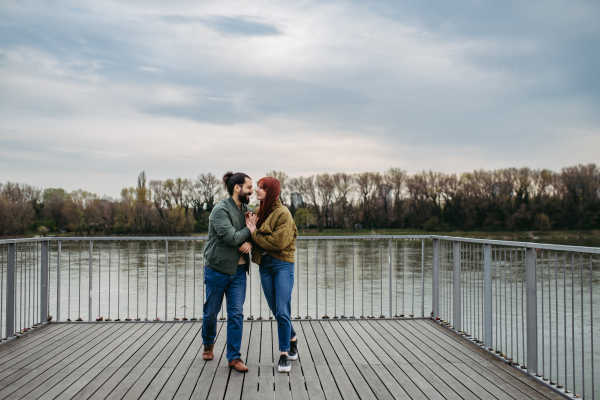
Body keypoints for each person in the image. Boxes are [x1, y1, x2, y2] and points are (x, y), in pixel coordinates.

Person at [202, 172, 255, 373]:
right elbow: (232, 238)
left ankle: (234, 357)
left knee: (236, 314)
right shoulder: (219, 210)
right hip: (217, 270)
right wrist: (249, 232)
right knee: (211, 312)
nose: (252, 191)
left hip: (240, 272)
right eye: (249, 187)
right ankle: (208, 342)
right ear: (237, 188)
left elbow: (253, 233)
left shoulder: (248, 211)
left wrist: (251, 240)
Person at [245, 177, 298, 373]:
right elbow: (252, 229)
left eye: (261, 187)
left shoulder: (283, 214)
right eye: (257, 186)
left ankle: (284, 354)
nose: (257, 190)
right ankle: (292, 338)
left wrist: (255, 234)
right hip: (265, 265)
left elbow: (277, 242)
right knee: (277, 310)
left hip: (282, 264)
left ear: (271, 191)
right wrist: (251, 229)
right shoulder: (260, 212)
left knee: (282, 309)